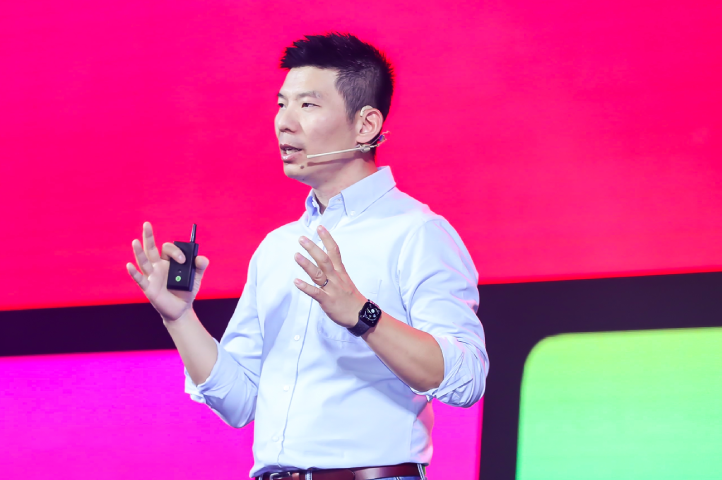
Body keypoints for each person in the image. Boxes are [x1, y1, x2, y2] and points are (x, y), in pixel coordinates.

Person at [125, 32, 487, 480]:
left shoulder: (417, 232)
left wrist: (362, 314)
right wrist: (180, 318)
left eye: (308, 105)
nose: (284, 122)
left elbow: (467, 379)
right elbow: (240, 403)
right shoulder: (277, 247)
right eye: (281, 104)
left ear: (366, 125)